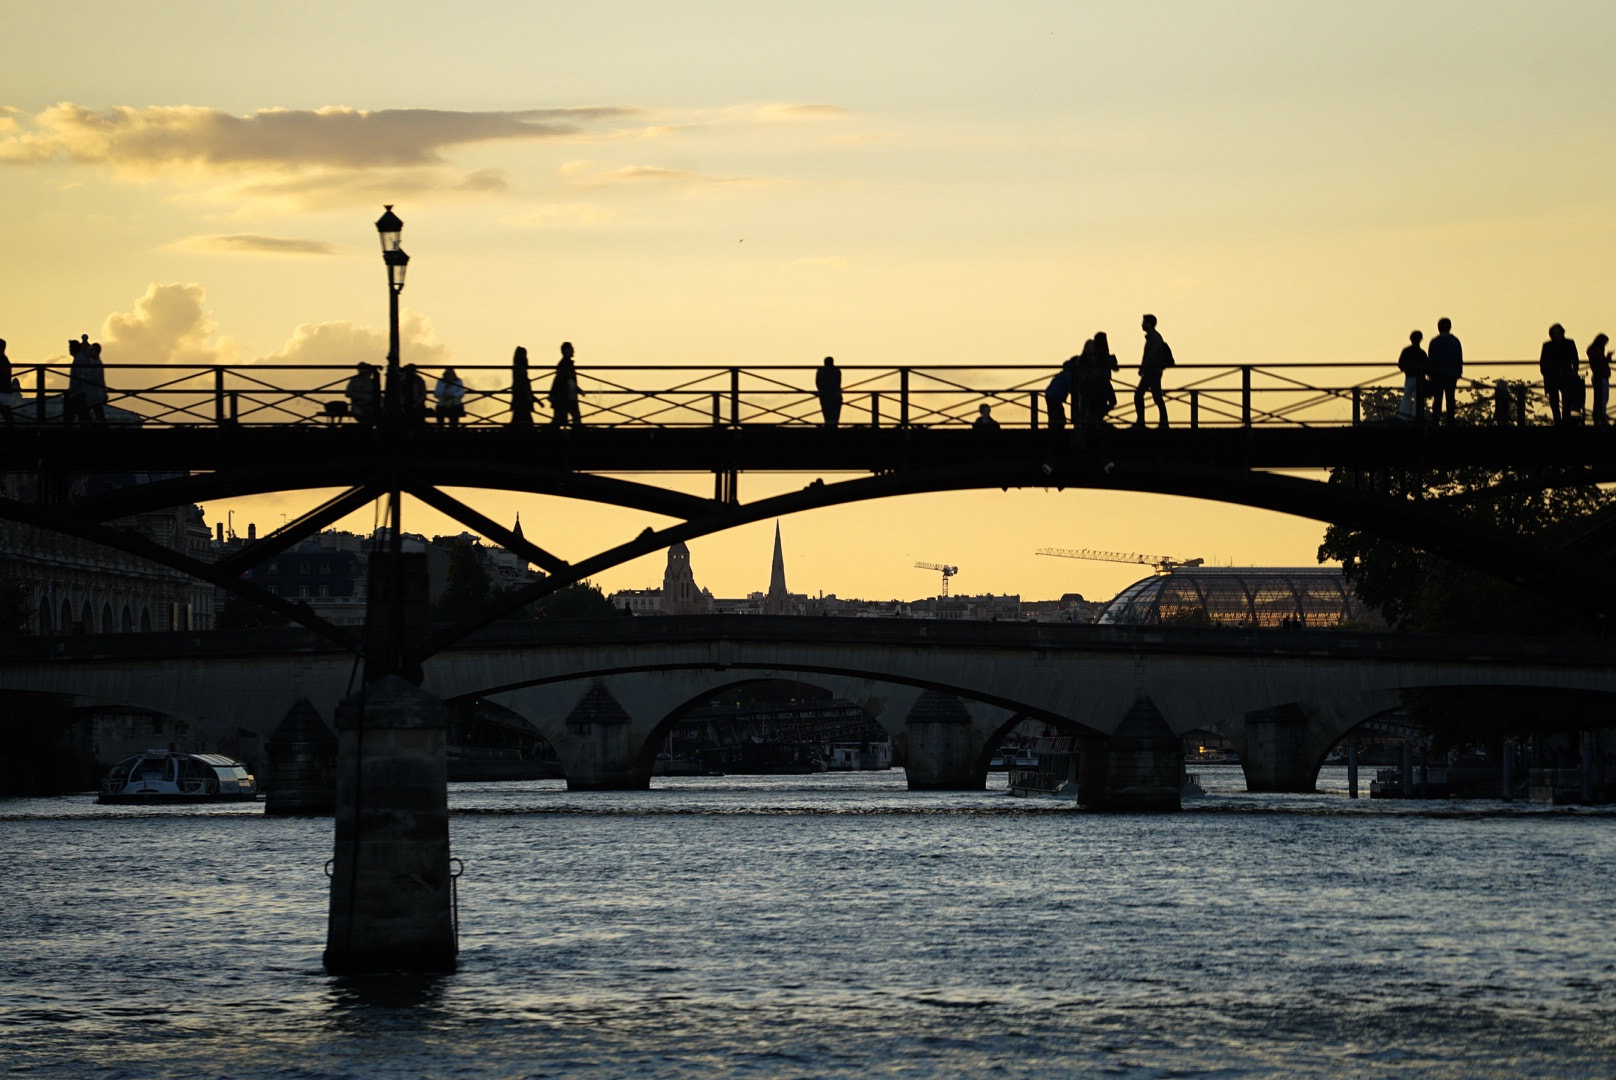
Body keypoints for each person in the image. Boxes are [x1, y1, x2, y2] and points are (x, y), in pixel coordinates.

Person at [1134, 314, 1173, 428]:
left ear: (1149, 324)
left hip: (1152, 371)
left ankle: (1143, 422)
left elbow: (1150, 356)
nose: (1142, 324)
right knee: (1153, 396)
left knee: (1142, 395)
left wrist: (1143, 368)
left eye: (1144, 322)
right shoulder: (1154, 337)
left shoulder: (1153, 338)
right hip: (1152, 371)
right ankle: (1162, 422)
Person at [1540, 324, 1579, 424]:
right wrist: (1546, 374)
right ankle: (1557, 420)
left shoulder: (1569, 343)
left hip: (1566, 375)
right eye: (1554, 333)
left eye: (1557, 333)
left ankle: (1565, 420)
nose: (1556, 335)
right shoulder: (1547, 345)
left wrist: (1574, 371)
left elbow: (1575, 359)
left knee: (1566, 399)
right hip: (1552, 376)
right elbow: (1543, 362)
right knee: (1554, 401)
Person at [1426, 317, 1462, 422]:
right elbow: (1459, 357)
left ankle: (1435, 420)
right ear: (1450, 327)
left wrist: (1431, 374)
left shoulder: (1434, 342)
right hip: (1451, 374)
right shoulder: (1455, 341)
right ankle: (1450, 420)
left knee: (1437, 399)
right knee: (1450, 398)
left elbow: (1431, 359)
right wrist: (1458, 371)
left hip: (1437, 375)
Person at [1078, 333, 1118, 427]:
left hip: (1094, 384)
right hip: (1101, 382)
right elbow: (1114, 367)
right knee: (1108, 402)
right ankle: (1096, 419)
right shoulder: (1102, 353)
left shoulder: (1094, 354)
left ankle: (1095, 420)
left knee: (1096, 404)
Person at [548, 341, 582, 427]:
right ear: (566, 350)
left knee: (559, 420)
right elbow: (565, 380)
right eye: (571, 349)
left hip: (563, 396)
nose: (573, 351)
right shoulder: (566, 364)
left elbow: (561, 379)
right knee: (573, 418)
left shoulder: (563, 363)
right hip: (566, 396)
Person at [1396, 330, 1426, 421]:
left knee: (1406, 397)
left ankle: (1402, 417)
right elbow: (1427, 365)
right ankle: (1416, 417)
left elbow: (1401, 364)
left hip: (1409, 377)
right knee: (1418, 399)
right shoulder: (1422, 353)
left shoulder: (1406, 351)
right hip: (1420, 378)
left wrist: (1407, 369)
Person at [1045, 356, 1076, 430]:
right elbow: (1070, 385)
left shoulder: (1062, 374)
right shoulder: (1068, 374)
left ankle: (1054, 427)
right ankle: (1057, 428)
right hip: (1055, 396)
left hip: (1051, 394)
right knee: (1058, 412)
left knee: (1054, 413)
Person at [1589, 334, 1612, 427]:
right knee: (1602, 399)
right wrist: (1607, 358)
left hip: (1600, 376)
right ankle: (1601, 419)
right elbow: (1600, 362)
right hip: (1600, 377)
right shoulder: (1596, 351)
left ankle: (1600, 419)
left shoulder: (1594, 350)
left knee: (1600, 399)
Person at [815, 356, 843, 428]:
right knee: (834, 412)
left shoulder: (821, 370)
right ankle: (833, 425)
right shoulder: (837, 370)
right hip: (835, 394)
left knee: (826, 412)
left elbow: (817, 382)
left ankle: (828, 425)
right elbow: (838, 382)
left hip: (825, 394)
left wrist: (820, 391)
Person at [510, 346, 533, 427]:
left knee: (518, 420)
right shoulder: (521, 368)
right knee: (524, 421)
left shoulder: (516, 367)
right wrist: (530, 396)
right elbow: (523, 383)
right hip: (522, 398)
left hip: (518, 397)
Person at [0, 338, 12, 427]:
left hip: (2, 389)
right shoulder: (5, 359)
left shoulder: (2, 359)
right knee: (6, 409)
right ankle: (10, 425)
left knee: (5, 409)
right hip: (6, 389)